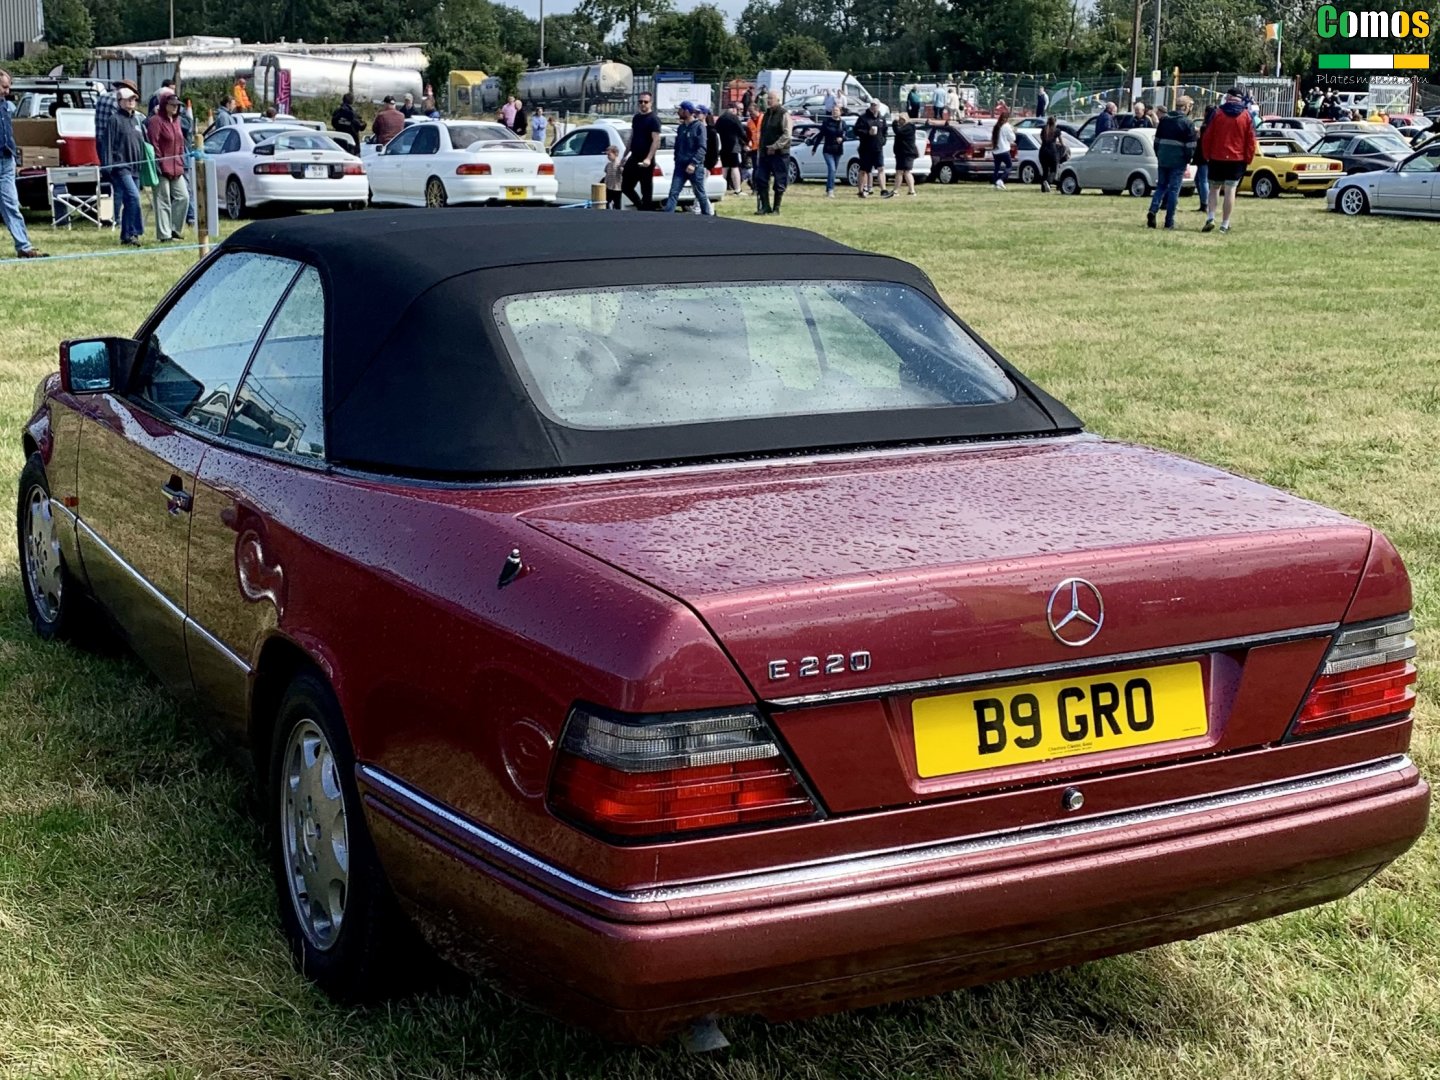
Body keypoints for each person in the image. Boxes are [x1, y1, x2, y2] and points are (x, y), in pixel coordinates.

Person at [0, 70, 46, 257]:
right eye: (4, 87)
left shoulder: (6, 106)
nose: (7, 90)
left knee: (12, 205)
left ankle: (24, 247)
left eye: (8, 86)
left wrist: (14, 156)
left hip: (6, 161)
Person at [1199, 87, 1257, 234]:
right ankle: (1225, 224)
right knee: (1230, 190)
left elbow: (1207, 136)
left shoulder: (1217, 113)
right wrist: (1248, 158)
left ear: (1228, 98)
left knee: (1214, 188)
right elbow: (1251, 140)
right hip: (1237, 159)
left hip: (1216, 157)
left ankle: (1211, 217)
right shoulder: (1246, 115)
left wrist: (1206, 154)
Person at [145, 90, 189, 241]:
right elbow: (153, 143)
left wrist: (181, 160)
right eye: (172, 105)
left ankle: (175, 228)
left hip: (177, 166)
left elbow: (181, 142)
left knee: (183, 197)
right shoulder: (155, 121)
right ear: (165, 105)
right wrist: (158, 162)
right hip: (161, 167)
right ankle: (164, 235)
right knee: (163, 201)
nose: (176, 107)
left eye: (177, 105)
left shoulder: (177, 121)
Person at [1148, 95, 1195, 230]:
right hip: (1178, 161)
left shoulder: (1164, 120)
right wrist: (1188, 160)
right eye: (1190, 106)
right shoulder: (1187, 123)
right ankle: (1169, 221)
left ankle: (1153, 209)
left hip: (1163, 159)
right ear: (1186, 107)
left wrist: (1159, 155)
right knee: (1174, 190)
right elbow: (1190, 146)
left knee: (1161, 186)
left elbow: (1156, 141)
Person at [107, 87, 146, 246]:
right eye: (128, 99)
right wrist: (108, 167)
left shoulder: (135, 119)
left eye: (134, 99)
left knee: (131, 201)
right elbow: (107, 143)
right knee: (134, 197)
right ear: (120, 101)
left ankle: (127, 235)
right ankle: (134, 231)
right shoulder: (114, 119)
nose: (132, 101)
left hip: (136, 165)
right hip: (121, 165)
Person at [661, 102, 711, 215]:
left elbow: (702, 148)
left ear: (687, 111)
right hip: (680, 165)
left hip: (695, 167)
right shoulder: (681, 127)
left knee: (699, 192)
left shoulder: (699, 127)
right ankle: (668, 215)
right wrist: (676, 158)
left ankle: (707, 215)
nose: (678, 112)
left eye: (681, 110)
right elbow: (677, 146)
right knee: (674, 191)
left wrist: (693, 163)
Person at [621, 90, 660, 210]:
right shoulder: (636, 118)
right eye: (640, 101)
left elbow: (656, 140)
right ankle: (640, 206)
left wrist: (648, 158)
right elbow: (632, 136)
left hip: (646, 159)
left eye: (645, 102)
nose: (643, 104)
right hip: (634, 156)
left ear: (651, 103)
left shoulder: (654, 119)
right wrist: (625, 155)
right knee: (626, 186)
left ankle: (646, 210)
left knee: (646, 189)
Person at [754, 90, 792, 213]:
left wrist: (775, 147)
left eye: (771, 98)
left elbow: (787, 135)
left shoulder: (784, 114)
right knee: (761, 179)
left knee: (779, 181)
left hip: (780, 154)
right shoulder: (766, 114)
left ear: (778, 100)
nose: (768, 100)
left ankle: (776, 208)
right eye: (767, 98)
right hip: (765, 154)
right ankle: (765, 206)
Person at [852, 99, 889, 198]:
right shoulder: (863, 118)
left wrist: (883, 141)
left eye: (875, 105)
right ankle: (860, 191)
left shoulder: (881, 118)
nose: (874, 107)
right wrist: (867, 132)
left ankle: (883, 190)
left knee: (881, 168)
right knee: (864, 170)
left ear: (879, 106)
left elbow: (885, 131)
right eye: (872, 105)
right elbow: (856, 131)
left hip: (878, 148)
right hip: (866, 148)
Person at [809, 102, 846, 197]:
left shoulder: (843, 123)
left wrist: (842, 139)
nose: (835, 112)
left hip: (838, 150)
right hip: (828, 150)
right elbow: (820, 136)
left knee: (833, 170)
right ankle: (830, 190)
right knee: (832, 169)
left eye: (837, 111)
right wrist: (814, 148)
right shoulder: (826, 123)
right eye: (833, 111)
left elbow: (846, 135)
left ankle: (828, 188)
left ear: (840, 112)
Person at [716, 100, 746, 194]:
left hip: (723, 146)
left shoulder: (721, 118)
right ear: (734, 109)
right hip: (733, 146)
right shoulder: (733, 118)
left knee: (724, 168)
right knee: (734, 167)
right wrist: (746, 141)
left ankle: (721, 189)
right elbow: (741, 131)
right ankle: (737, 189)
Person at [1193, 102, 1215, 211]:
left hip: (1203, 155)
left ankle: (1205, 204)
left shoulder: (1207, 125)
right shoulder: (1213, 123)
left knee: (1203, 180)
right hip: (1206, 155)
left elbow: (1203, 139)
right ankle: (1203, 202)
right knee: (1198, 179)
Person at [892, 112, 919, 196]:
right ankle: (896, 190)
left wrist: (894, 123)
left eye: (901, 120)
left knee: (906, 171)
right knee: (899, 171)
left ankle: (911, 190)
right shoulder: (904, 127)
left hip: (907, 153)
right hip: (901, 153)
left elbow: (898, 132)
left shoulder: (909, 127)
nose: (899, 122)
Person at [1038, 114, 1064, 193]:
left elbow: (1042, 139)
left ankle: (1043, 188)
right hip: (1052, 151)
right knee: (1053, 170)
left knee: (1045, 170)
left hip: (1042, 151)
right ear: (1055, 122)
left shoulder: (1044, 129)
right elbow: (1061, 142)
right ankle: (1048, 182)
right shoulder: (1057, 130)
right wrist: (1058, 144)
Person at [991, 106, 1015, 189]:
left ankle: (995, 183)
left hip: (996, 150)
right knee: (1009, 166)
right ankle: (1001, 180)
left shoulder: (996, 126)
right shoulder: (1006, 126)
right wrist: (1013, 131)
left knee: (997, 168)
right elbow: (1012, 138)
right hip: (1004, 150)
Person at [601, 143, 623, 209]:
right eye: (607, 155)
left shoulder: (619, 164)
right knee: (606, 202)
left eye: (609, 155)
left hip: (617, 188)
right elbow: (606, 173)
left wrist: (621, 167)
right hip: (608, 187)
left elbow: (622, 172)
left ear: (615, 154)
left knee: (617, 204)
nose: (608, 156)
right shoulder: (609, 164)